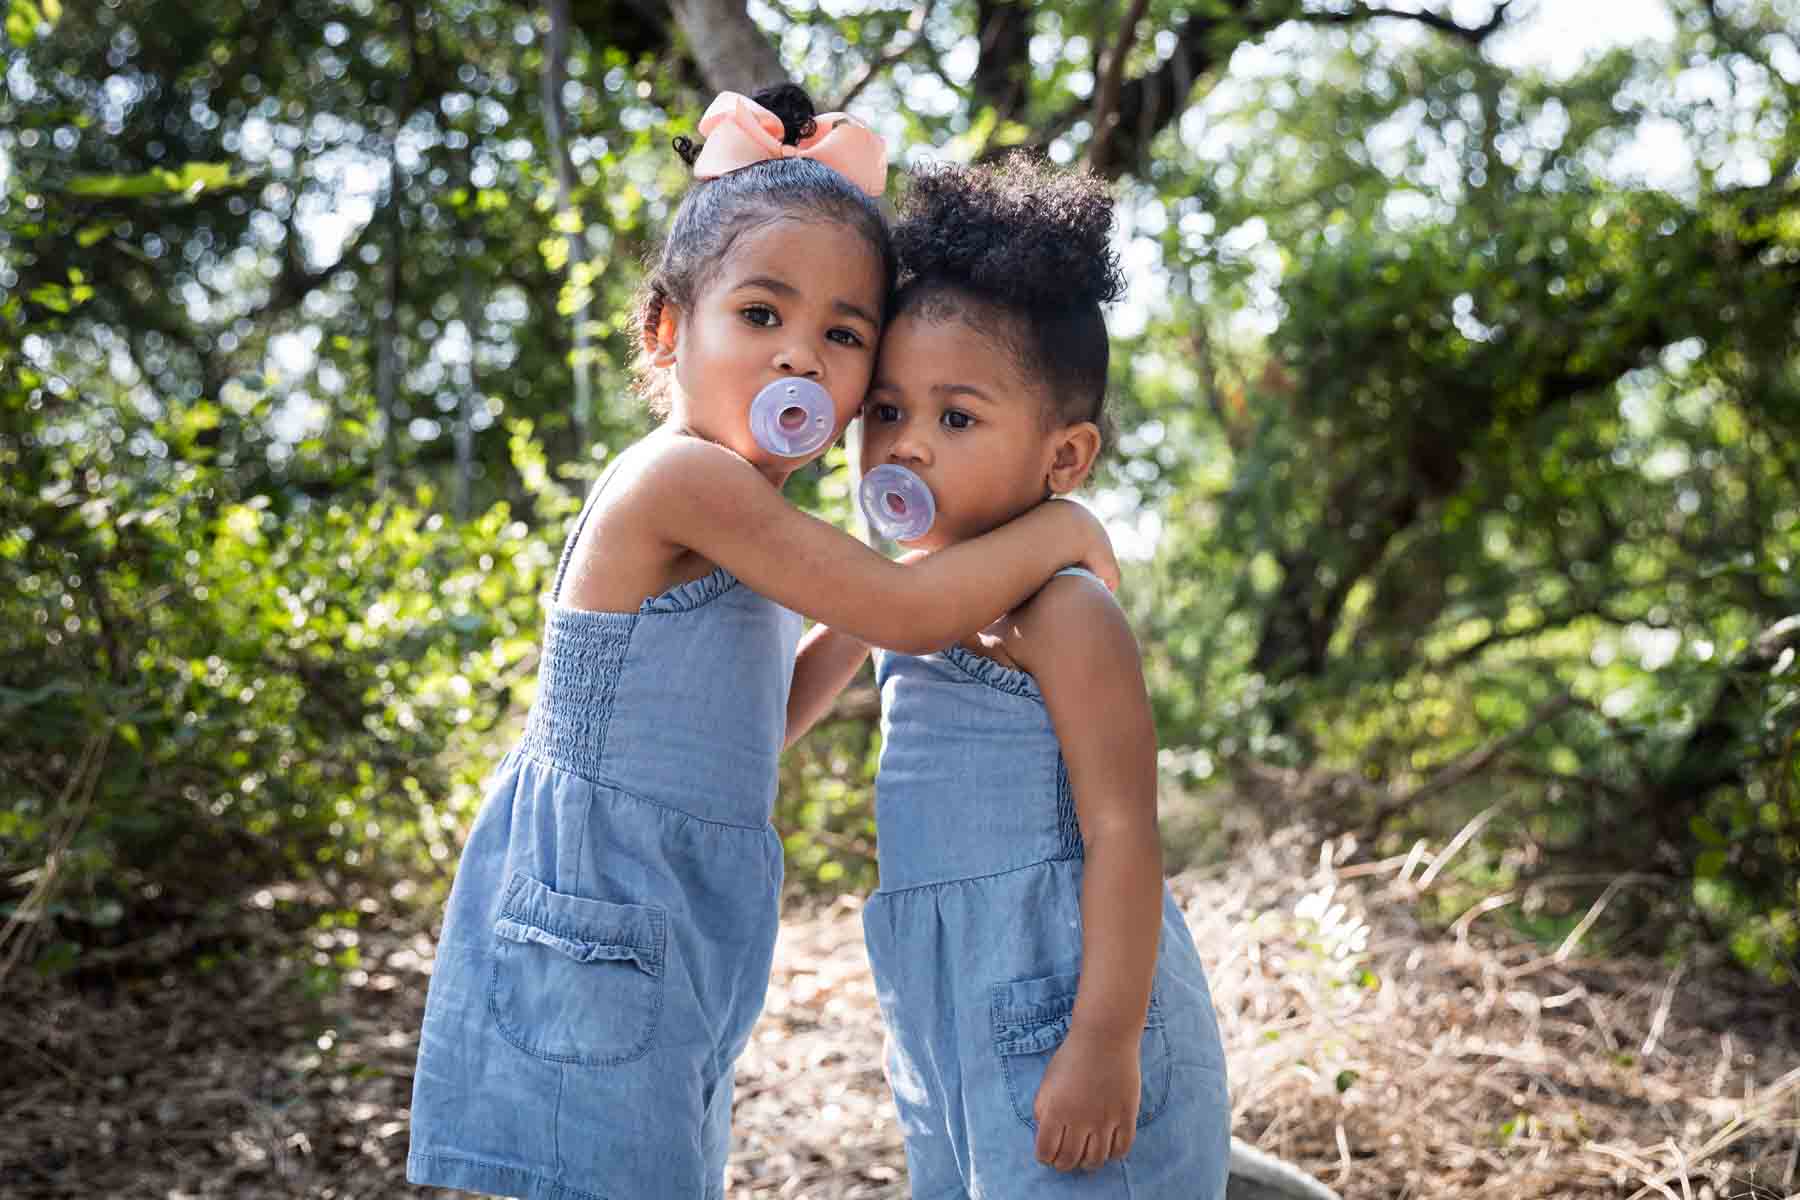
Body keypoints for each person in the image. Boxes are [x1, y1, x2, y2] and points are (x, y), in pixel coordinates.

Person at [406, 89, 1120, 1200]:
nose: (802, 359)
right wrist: (1055, 533)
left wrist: (899, 583)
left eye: (843, 336)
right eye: (761, 316)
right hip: (602, 900)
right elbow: (905, 613)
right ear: (665, 330)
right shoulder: (686, 478)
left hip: (674, 904)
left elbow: (763, 719)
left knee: (660, 1168)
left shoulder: (749, 508)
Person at [787, 155, 1231, 1198]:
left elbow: (1126, 834)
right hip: (944, 1007)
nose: (908, 446)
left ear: (1064, 460)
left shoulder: (1067, 608)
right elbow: (779, 715)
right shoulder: (908, 598)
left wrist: (1105, 1044)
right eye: (886, 412)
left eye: (957, 417)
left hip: (1073, 1005)